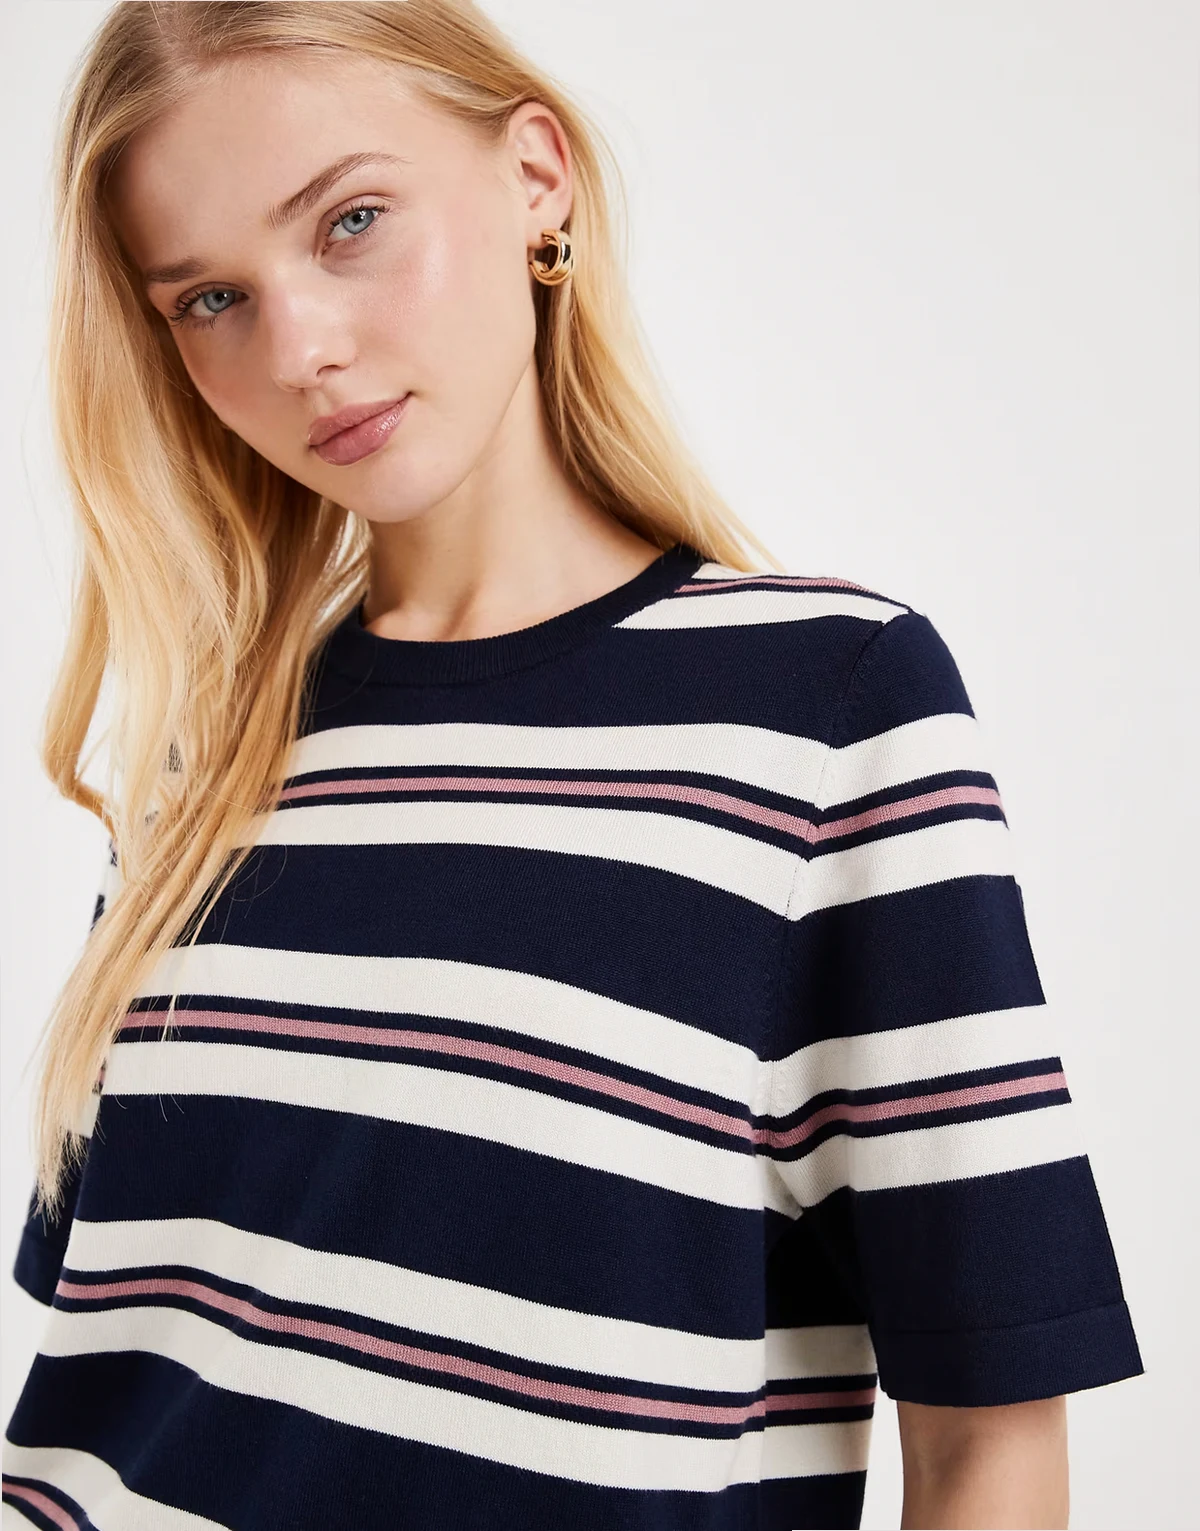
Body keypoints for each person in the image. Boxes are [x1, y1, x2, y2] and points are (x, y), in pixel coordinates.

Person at [1, 3, 1141, 1529]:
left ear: (536, 176)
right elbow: (134, 1362)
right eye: (210, 298)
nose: (301, 349)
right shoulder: (207, 749)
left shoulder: (826, 707)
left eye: (350, 222)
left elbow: (989, 1435)